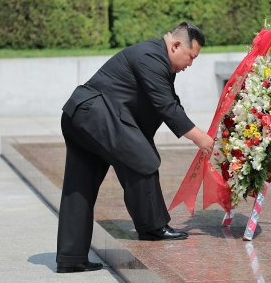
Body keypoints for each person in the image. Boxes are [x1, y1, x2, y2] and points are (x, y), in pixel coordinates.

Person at [56, 21, 215, 273]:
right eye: (191, 57)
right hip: (95, 115)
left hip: (81, 115)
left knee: (79, 189)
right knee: (142, 159)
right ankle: (152, 227)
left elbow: (169, 101)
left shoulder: (157, 58)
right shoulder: (151, 57)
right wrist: (199, 138)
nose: (190, 64)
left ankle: (71, 258)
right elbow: (165, 106)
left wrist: (196, 131)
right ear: (175, 45)